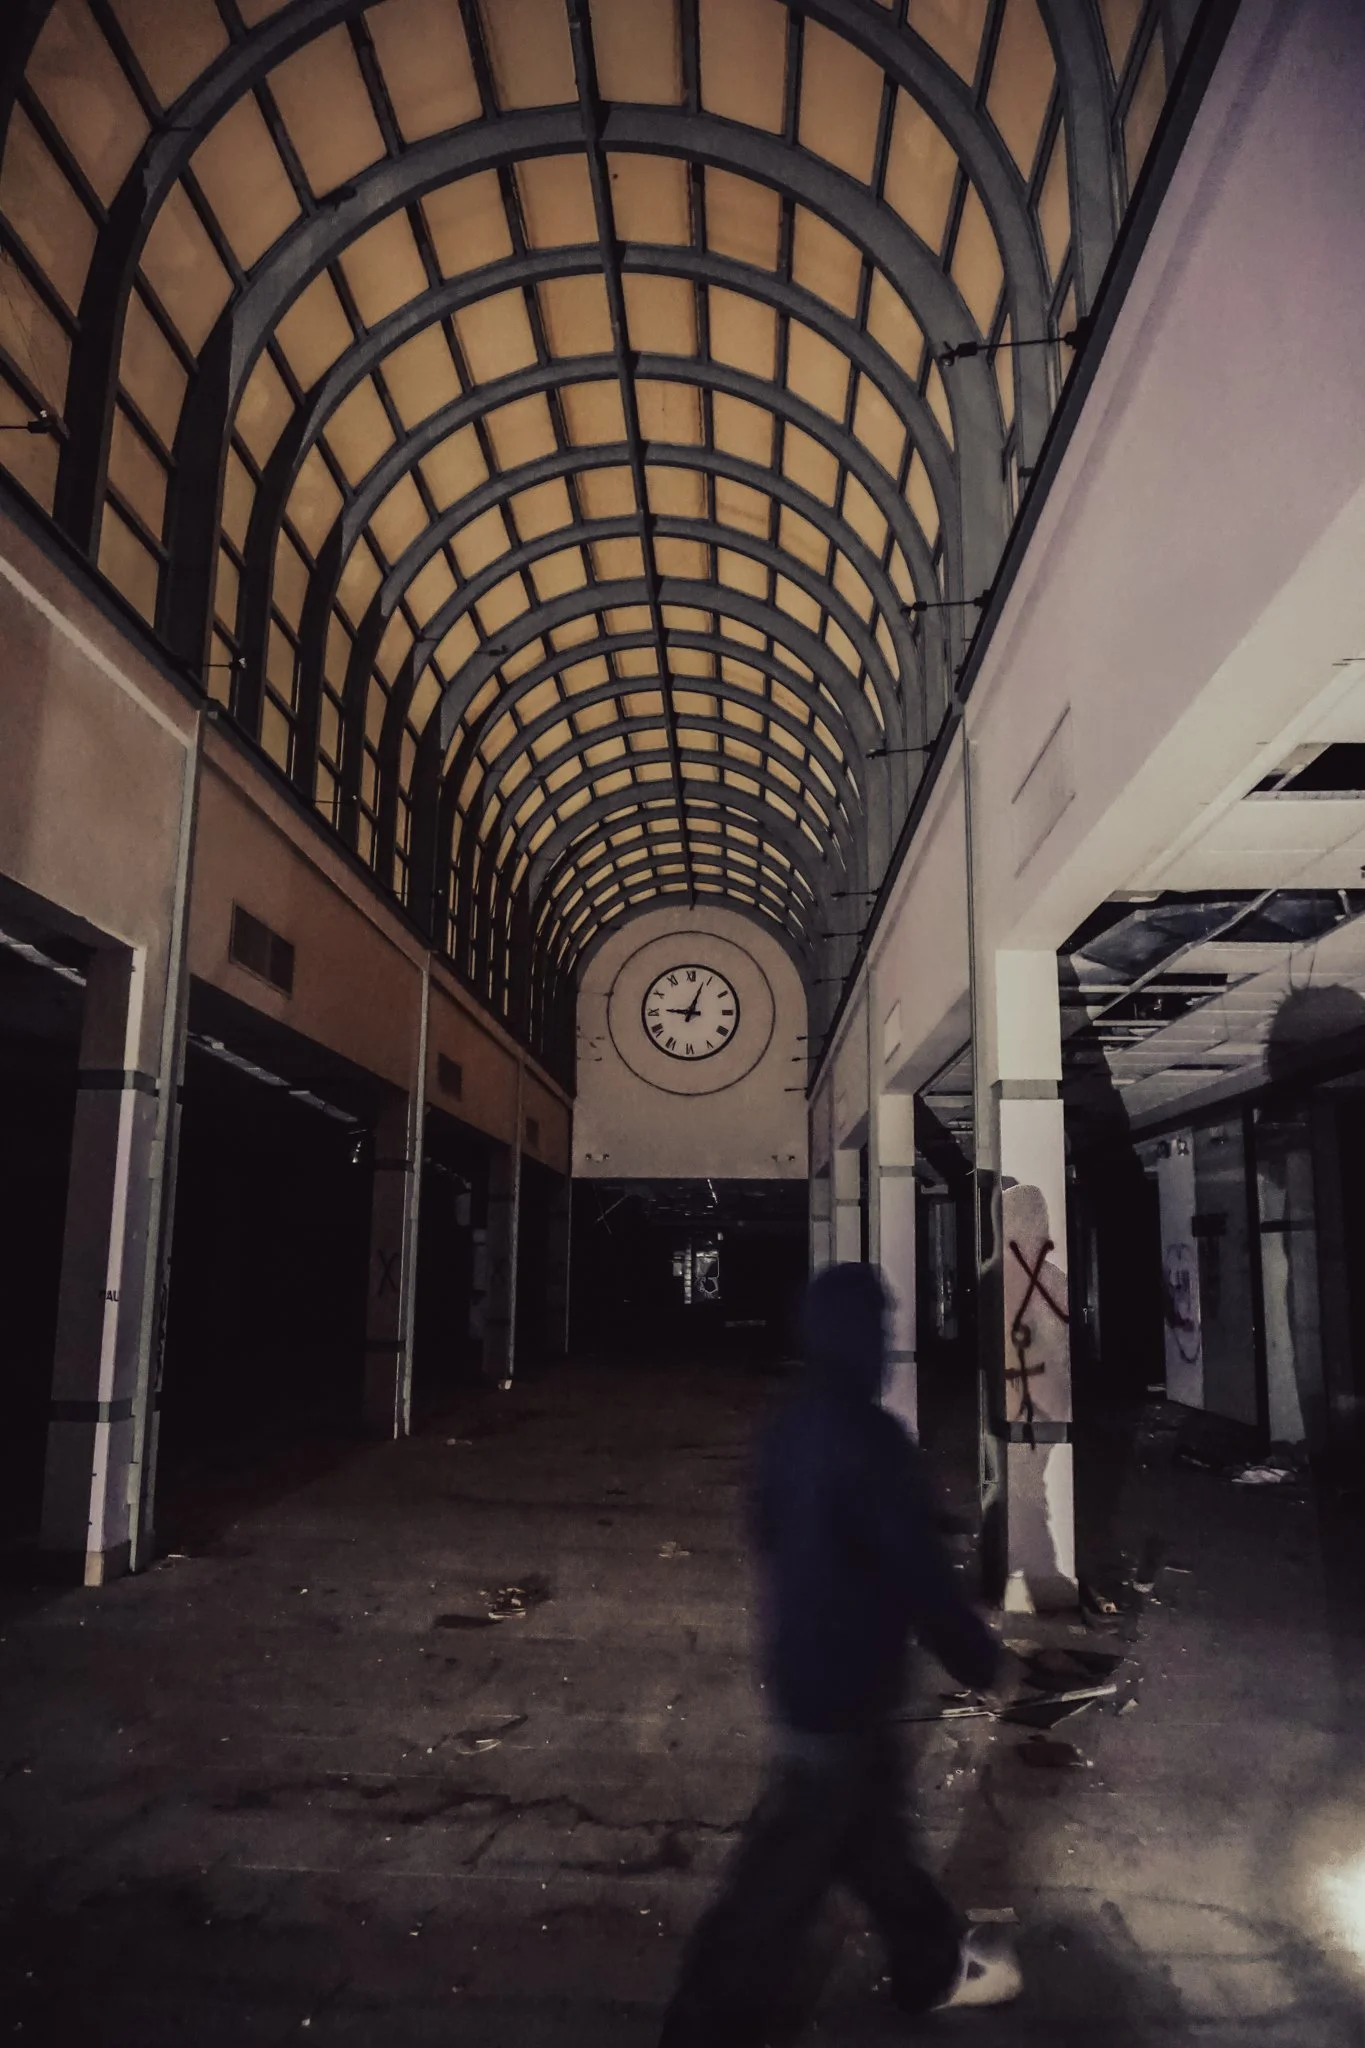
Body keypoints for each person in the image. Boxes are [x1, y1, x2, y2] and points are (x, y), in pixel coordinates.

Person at [659, 1262, 1027, 2046]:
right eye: (883, 1332)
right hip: (845, 1682)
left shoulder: (786, 1422)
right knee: (781, 1878)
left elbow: (760, 1525)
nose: (890, 1346)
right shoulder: (870, 1439)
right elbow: (918, 1576)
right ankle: (704, 2027)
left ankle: (928, 1968)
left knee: (872, 1837)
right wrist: (980, 1660)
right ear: (863, 1339)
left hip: (801, 1666)